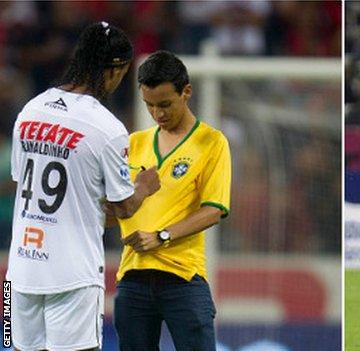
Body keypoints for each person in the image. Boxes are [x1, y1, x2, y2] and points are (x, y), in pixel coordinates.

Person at [7, 22, 160, 351]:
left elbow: (22, 189)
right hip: (74, 277)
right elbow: (122, 208)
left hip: (18, 275)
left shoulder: (29, 111)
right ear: (115, 70)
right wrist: (145, 186)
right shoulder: (107, 128)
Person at [111, 50, 231, 351]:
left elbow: (214, 210)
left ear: (186, 92)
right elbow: (114, 210)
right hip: (132, 277)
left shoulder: (211, 142)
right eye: (149, 106)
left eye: (165, 104)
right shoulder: (133, 143)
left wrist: (161, 237)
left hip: (183, 278)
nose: (157, 114)